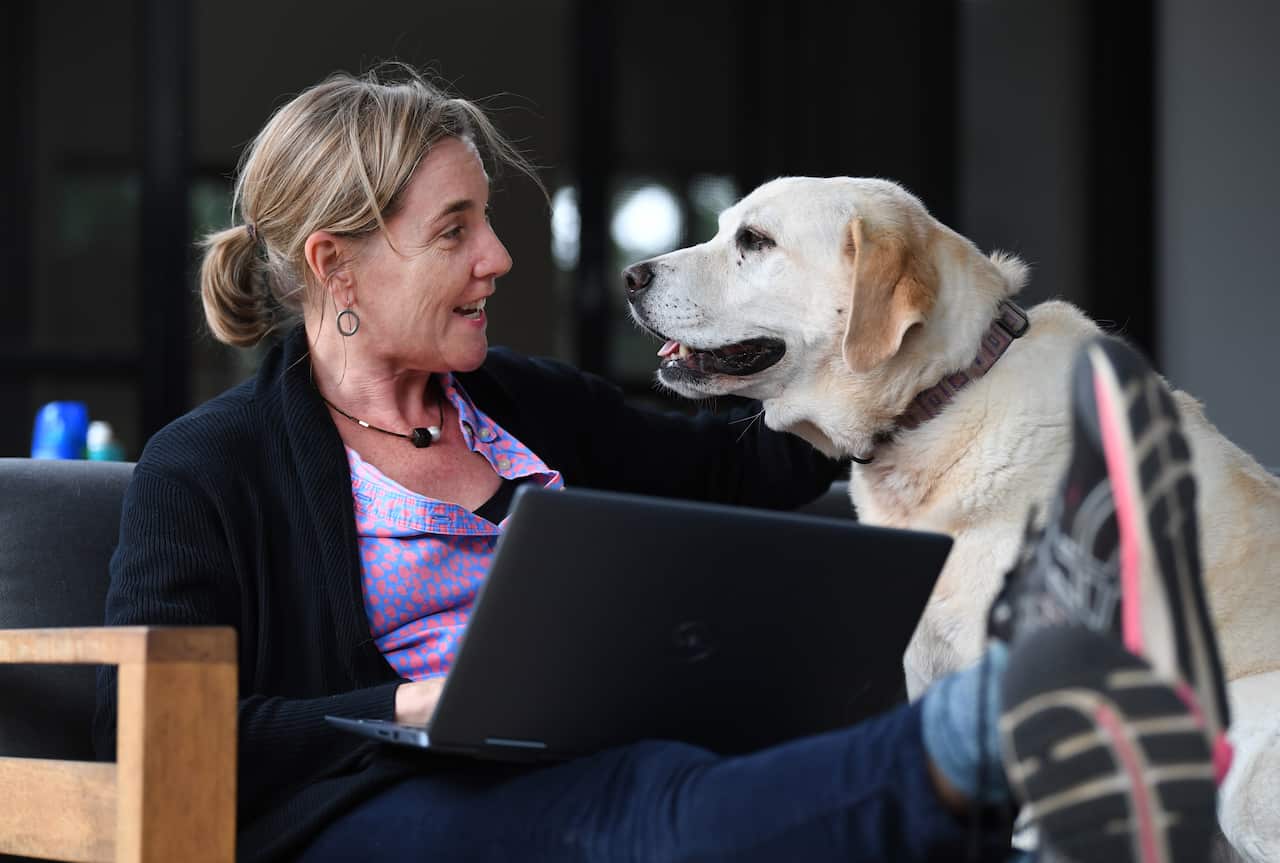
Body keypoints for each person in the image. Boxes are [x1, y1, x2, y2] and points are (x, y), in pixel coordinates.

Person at [93, 65, 1229, 863]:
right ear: (336, 265)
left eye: (486, 220)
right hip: (376, 799)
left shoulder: (521, 403)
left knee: (695, 771)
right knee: (647, 810)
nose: (496, 258)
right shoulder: (210, 464)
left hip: (604, 746)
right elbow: (158, 731)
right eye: (452, 232)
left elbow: (749, 470)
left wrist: (959, 351)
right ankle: (993, 719)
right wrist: (404, 700)